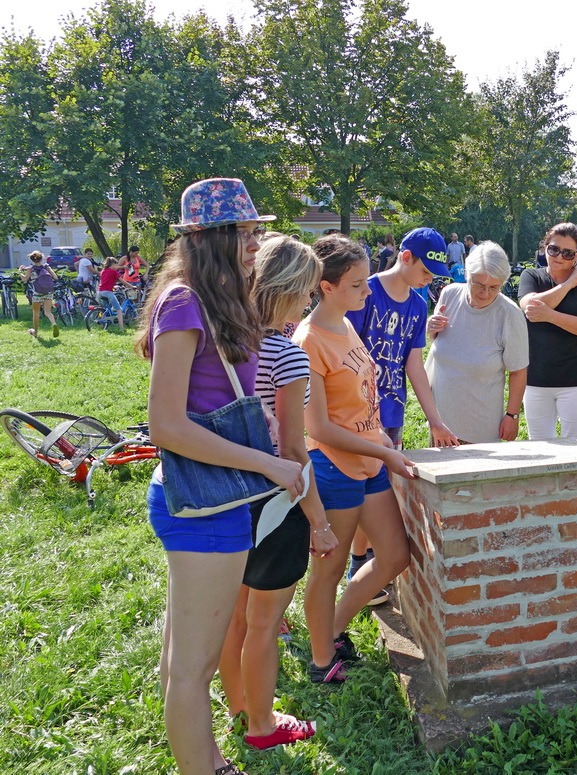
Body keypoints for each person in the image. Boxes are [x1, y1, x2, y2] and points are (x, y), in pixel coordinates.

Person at [135, 177, 305, 775]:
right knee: (192, 669)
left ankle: (209, 758)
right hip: (204, 503)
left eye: (256, 230)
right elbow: (166, 425)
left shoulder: (218, 300)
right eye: (246, 232)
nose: (257, 243)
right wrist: (268, 461)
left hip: (218, 499)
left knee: (184, 662)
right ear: (212, 238)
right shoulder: (185, 303)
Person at [218, 235, 328, 750]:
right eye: (306, 290)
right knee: (264, 623)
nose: (309, 300)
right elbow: (294, 449)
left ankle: (239, 706)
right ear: (286, 290)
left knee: (235, 616)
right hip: (274, 503)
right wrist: (320, 521)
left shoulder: (222, 342)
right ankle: (263, 726)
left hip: (225, 495)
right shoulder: (286, 355)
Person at [293, 234, 416, 683]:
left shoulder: (345, 324)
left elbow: (361, 403)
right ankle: (321, 661)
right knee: (327, 570)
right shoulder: (308, 340)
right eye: (357, 284)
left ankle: (332, 628)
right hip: (334, 468)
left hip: (369, 461)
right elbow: (319, 428)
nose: (368, 291)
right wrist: (383, 450)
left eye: (366, 281)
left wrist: (381, 441)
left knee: (395, 555)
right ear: (326, 287)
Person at [345, 227, 459, 600]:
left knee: (379, 487)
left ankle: (367, 560)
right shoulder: (364, 292)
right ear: (405, 257)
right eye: (425, 271)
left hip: (391, 412)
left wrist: (435, 419)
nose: (428, 280)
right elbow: (346, 354)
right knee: (359, 491)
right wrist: (363, 415)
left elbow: (413, 364)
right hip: (355, 413)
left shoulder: (418, 304)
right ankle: (356, 562)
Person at [426, 241, 529, 443]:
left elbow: (518, 371)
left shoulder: (509, 314)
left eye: (494, 287)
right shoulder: (449, 294)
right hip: (440, 424)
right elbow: (439, 344)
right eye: (479, 285)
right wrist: (431, 328)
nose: (485, 293)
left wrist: (512, 415)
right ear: (467, 275)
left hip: (480, 428)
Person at [518, 222, 577, 440]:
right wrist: (569, 284)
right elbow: (529, 307)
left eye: (568, 253)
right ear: (544, 247)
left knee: (575, 446)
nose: (559, 257)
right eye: (554, 249)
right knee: (540, 448)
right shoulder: (531, 276)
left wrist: (549, 315)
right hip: (536, 377)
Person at [20, 250, 59, 338]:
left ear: (32, 259)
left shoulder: (31, 269)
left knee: (36, 313)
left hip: (38, 293)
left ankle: (35, 332)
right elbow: (55, 277)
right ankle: (54, 324)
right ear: (42, 258)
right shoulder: (46, 266)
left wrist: (20, 272)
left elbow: (25, 279)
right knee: (48, 312)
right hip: (48, 292)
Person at [97, 257, 135, 331]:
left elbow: (106, 282)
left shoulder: (103, 271)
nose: (116, 266)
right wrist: (131, 286)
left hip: (100, 292)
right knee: (119, 310)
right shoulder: (113, 272)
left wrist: (113, 286)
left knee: (107, 309)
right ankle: (122, 328)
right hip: (108, 292)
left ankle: (105, 321)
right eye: (116, 264)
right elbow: (122, 280)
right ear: (112, 264)